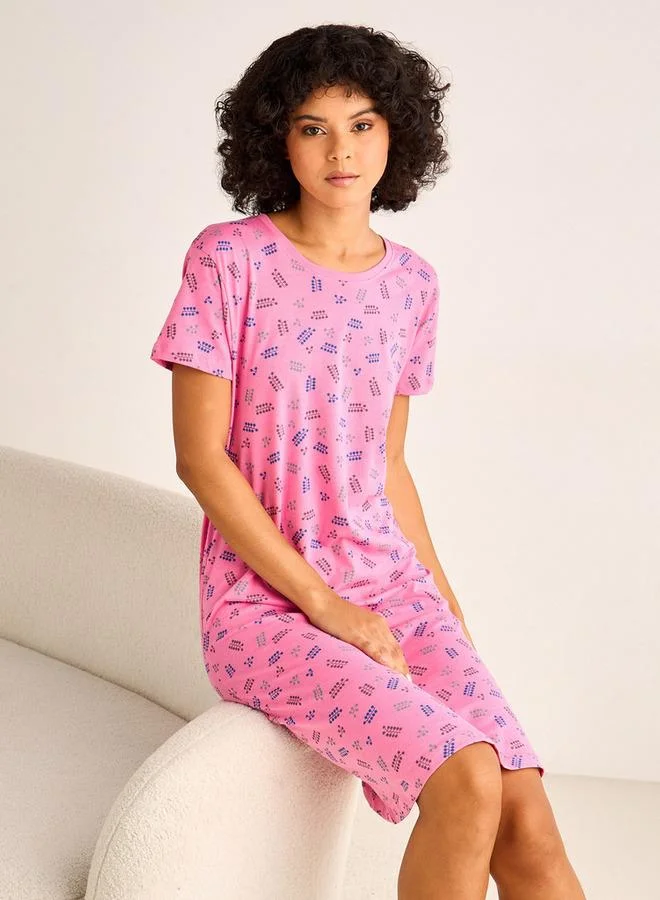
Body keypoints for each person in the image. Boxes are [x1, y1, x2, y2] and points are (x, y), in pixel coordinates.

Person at [149, 23, 585, 900]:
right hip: (266, 607)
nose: (341, 151)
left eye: (362, 124)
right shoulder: (229, 260)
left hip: (391, 585)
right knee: (466, 777)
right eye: (313, 127)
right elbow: (199, 459)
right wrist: (327, 605)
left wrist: (445, 611)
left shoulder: (413, 283)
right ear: (278, 139)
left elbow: (387, 465)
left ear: (398, 133)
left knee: (526, 809)